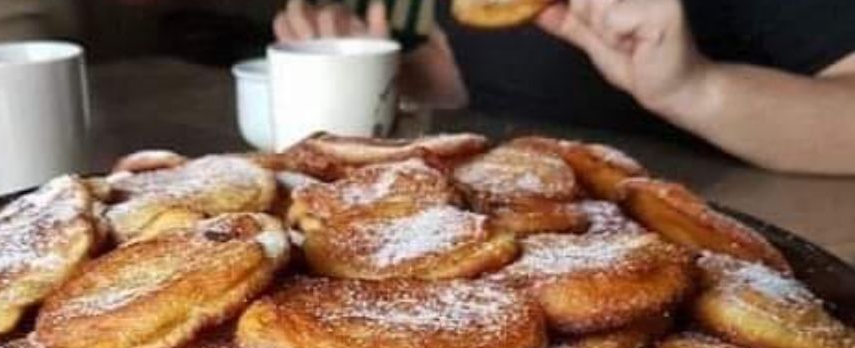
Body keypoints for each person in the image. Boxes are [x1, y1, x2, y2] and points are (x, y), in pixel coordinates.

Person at [273, 0, 855, 176]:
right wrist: (377, 67)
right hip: (494, 207)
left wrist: (693, 87)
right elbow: (482, 63)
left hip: (694, 238)